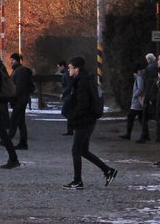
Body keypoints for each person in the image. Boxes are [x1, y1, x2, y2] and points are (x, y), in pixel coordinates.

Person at [61, 56, 117, 190]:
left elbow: (82, 104)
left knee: (76, 150)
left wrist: (73, 117)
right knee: (83, 151)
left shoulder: (82, 83)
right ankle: (108, 170)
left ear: (77, 69)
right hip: (89, 120)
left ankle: (77, 181)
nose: (68, 70)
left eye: (70, 68)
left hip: (84, 121)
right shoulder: (87, 79)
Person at [7, 53, 34, 149]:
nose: (11, 62)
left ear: (17, 61)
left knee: (14, 120)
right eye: (11, 60)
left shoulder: (20, 71)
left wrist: (13, 97)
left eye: (13, 60)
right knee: (21, 122)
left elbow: (19, 87)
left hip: (19, 99)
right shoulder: (17, 70)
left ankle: (7, 140)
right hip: (20, 99)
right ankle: (23, 144)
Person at [137, 52, 158, 143]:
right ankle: (147, 135)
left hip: (150, 94)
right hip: (155, 94)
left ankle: (144, 136)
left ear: (149, 60)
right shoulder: (157, 66)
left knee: (145, 116)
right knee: (155, 116)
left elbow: (147, 82)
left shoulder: (149, 69)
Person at [120, 65, 146, 140]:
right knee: (141, 118)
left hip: (137, 102)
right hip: (139, 101)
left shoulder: (139, 77)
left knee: (130, 117)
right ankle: (145, 134)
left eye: (134, 73)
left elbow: (140, 88)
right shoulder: (143, 76)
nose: (134, 75)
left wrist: (134, 95)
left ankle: (128, 134)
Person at [56, 60, 73, 135]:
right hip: (69, 95)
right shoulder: (66, 73)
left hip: (69, 96)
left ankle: (73, 126)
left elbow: (69, 86)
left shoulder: (66, 74)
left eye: (59, 67)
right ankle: (70, 130)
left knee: (65, 112)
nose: (58, 69)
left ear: (62, 66)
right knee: (69, 113)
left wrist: (63, 94)